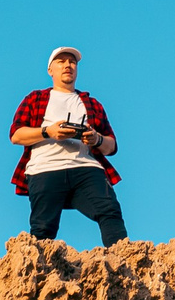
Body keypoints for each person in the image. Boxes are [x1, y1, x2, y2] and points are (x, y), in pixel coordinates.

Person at [7, 46, 127, 246]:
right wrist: (48, 131)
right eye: (61, 62)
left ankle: (124, 262)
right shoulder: (35, 99)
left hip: (86, 168)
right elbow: (16, 135)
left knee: (110, 211)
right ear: (50, 70)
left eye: (72, 62)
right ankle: (40, 272)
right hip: (45, 167)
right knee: (42, 229)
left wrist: (96, 139)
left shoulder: (92, 103)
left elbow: (111, 146)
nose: (67, 66)